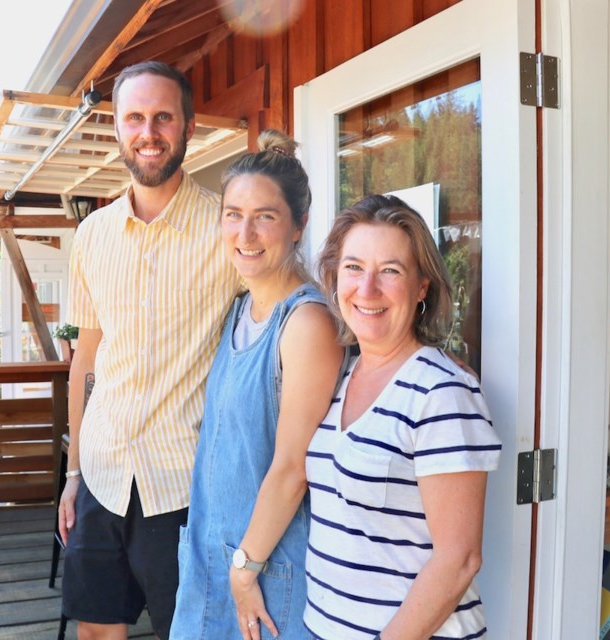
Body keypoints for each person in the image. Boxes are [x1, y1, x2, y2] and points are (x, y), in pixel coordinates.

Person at [59, 61, 240, 640]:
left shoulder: (228, 230)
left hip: (185, 486)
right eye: (134, 117)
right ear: (116, 128)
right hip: (103, 476)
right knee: (96, 632)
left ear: (188, 126)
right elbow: (85, 361)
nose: (149, 131)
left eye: (163, 116)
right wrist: (73, 473)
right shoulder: (91, 235)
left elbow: (290, 316)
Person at [303, 194, 502, 639]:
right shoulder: (341, 373)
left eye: (390, 270)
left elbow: (460, 559)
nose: (367, 288)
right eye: (354, 267)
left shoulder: (443, 391)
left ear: (421, 288)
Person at [171, 131, 343, 640]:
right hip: (213, 559)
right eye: (233, 214)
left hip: (267, 575)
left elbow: (293, 469)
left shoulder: (306, 323)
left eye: (265, 216)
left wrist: (246, 568)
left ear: (298, 226)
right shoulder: (239, 310)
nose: (244, 232)